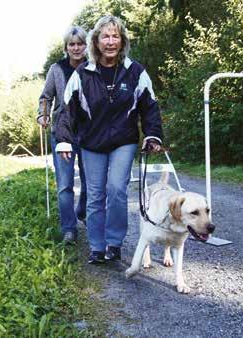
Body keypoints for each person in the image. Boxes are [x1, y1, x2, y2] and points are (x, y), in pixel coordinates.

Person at [55, 15, 163, 264]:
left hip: (124, 140)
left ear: (122, 40)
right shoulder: (83, 73)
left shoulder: (135, 71)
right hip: (92, 143)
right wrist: (64, 140)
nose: (110, 41)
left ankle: (114, 243)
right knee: (94, 194)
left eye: (115, 36)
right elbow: (67, 110)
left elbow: (150, 106)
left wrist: (153, 134)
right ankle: (97, 246)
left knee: (116, 189)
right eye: (105, 36)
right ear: (96, 41)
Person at [38, 26, 88, 245]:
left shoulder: (93, 67)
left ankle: (83, 211)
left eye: (80, 43)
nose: (76, 48)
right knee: (65, 184)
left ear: (87, 45)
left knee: (91, 182)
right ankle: (69, 229)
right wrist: (43, 115)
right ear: (66, 47)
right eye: (72, 44)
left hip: (89, 132)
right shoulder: (56, 69)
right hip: (62, 132)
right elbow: (46, 96)